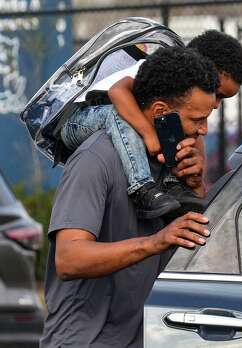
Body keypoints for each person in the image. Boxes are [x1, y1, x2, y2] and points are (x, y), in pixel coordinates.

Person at [40, 46, 219, 348]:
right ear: (161, 112)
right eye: (197, 119)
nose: (204, 130)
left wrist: (195, 186)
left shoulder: (171, 161)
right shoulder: (96, 158)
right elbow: (69, 259)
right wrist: (154, 242)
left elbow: (193, 244)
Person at [60, 30, 242, 218]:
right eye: (217, 94)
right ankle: (142, 188)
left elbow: (200, 206)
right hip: (78, 119)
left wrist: (194, 184)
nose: (216, 104)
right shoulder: (160, 70)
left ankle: (172, 186)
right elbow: (118, 91)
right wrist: (149, 134)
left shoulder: (183, 118)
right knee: (119, 115)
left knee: (171, 134)